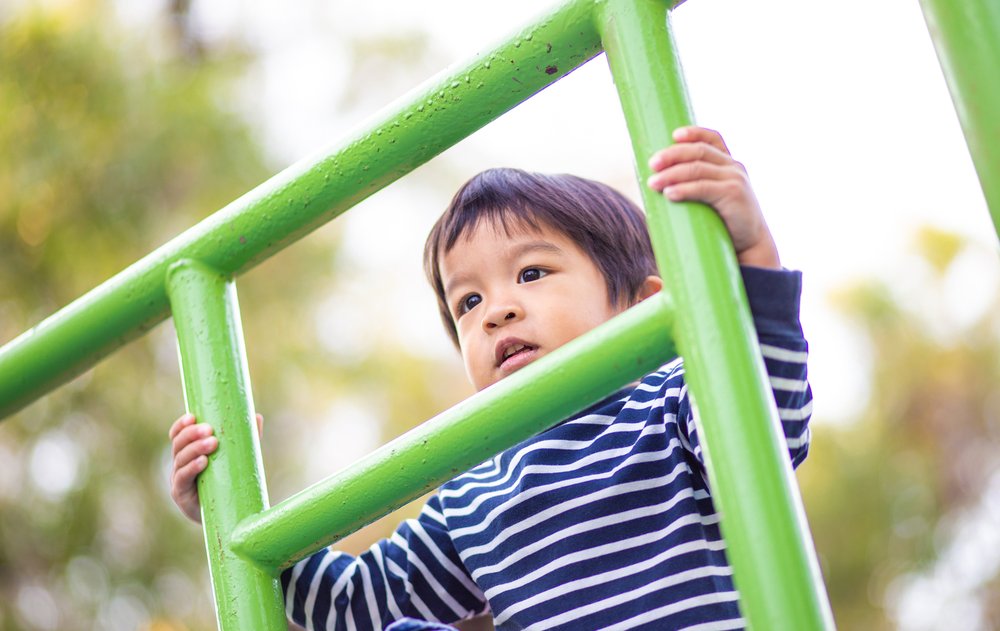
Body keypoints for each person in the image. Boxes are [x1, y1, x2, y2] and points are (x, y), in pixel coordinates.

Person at [168, 126, 812, 630]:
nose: (496, 309)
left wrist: (755, 255)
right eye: (467, 304)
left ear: (640, 305)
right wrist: (236, 509)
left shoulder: (670, 407)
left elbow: (764, 426)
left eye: (531, 273)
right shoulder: (476, 493)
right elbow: (360, 603)